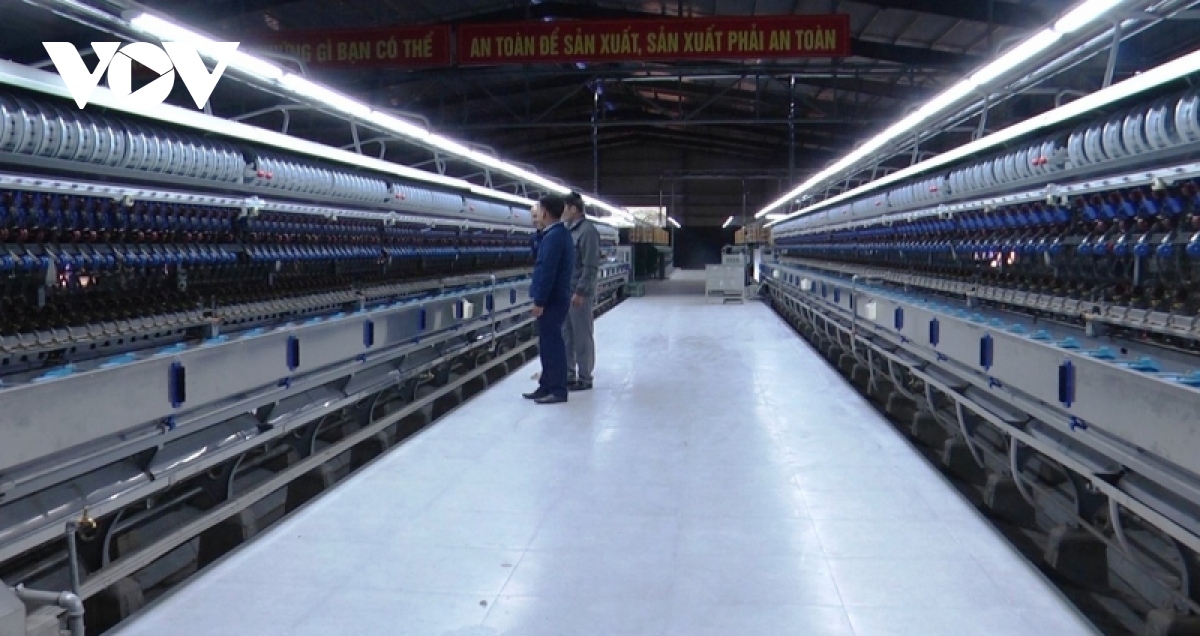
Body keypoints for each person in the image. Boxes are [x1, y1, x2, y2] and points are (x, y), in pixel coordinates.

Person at [522, 196, 574, 404]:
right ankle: (546, 385)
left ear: (545, 212)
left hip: (552, 299)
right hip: (556, 297)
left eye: (538, 210)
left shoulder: (554, 237)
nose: (536, 214)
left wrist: (540, 301)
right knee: (547, 343)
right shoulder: (556, 234)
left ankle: (558, 390)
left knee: (552, 344)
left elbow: (547, 271)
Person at [561, 192, 600, 391]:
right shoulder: (567, 231)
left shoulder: (587, 231)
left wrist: (581, 292)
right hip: (566, 292)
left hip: (579, 294)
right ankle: (569, 375)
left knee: (582, 336)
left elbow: (590, 265)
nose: (562, 212)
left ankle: (585, 377)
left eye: (564, 208)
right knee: (567, 335)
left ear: (574, 209)